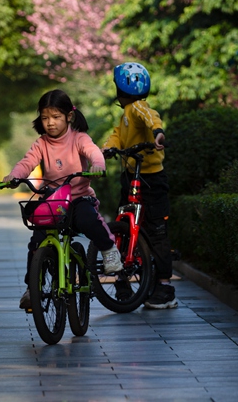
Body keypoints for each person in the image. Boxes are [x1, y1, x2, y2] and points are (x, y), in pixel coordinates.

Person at [2, 89, 123, 310]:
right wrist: (15, 175)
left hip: (78, 199)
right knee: (36, 241)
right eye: (45, 118)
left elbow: (94, 152)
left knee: (88, 219)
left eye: (56, 117)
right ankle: (33, 288)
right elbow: (26, 162)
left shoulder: (79, 138)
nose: (50, 123)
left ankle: (109, 249)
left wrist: (98, 165)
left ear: (69, 116)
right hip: (52, 202)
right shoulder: (41, 144)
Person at [102, 62, 177, 309]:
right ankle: (125, 276)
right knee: (126, 224)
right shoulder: (125, 115)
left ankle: (165, 287)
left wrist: (158, 132)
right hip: (130, 175)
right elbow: (117, 134)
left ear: (119, 89)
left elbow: (149, 116)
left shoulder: (137, 108)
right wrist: (108, 147)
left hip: (151, 178)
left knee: (156, 230)